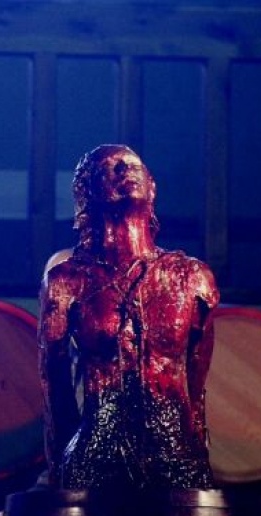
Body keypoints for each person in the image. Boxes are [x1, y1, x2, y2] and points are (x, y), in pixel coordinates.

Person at [38, 143, 220, 494]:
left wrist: (198, 453)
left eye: (135, 165)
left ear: (152, 186)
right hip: (97, 452)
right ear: (89, 192)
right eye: (111, 168)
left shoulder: (192, 277)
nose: (126, 170)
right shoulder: (67, 280)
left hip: (175, 451)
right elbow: (54, 386)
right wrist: (58, 472)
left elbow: (197, 389)